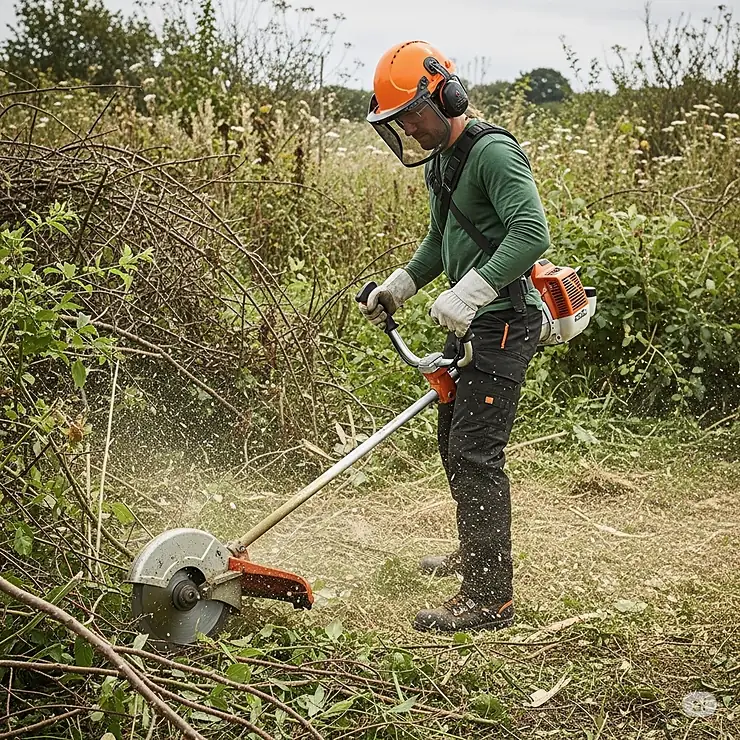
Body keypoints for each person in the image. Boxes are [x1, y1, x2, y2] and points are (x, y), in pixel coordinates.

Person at [358, 40, 550, 632]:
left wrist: (474, 290)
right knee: (452, 442)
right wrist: (400, 286)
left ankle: (490, 598)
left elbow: (532, 234)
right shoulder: (442, 161)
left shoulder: (493, 154)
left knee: (476, 453)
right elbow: (441, 242)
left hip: (504, 320)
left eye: (412, 114)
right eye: (397, 122)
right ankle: (476, 554)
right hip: (472, 322)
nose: (408, 129)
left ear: (445, 94)